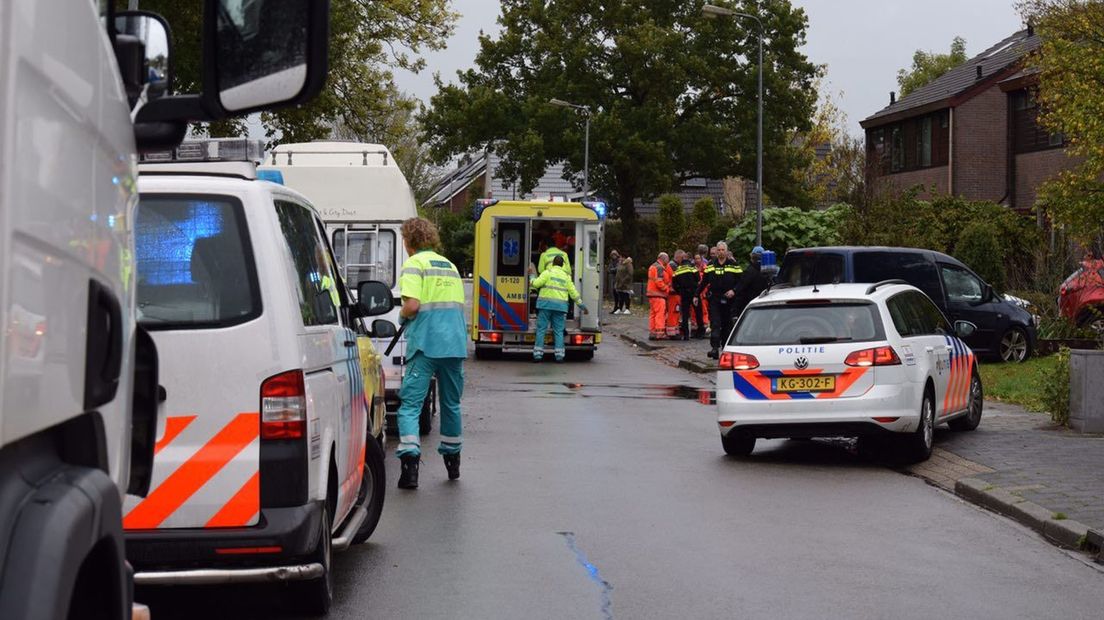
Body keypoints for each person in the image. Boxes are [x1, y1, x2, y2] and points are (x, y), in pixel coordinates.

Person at [395, 217, 468, 490]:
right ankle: (453, 461)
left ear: (409, 241)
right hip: (454, 344)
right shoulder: (449, 266)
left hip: (426, 344)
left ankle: (410, 467)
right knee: (451, 404)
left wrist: (401, 316)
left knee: (411, 405)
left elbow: (412, 305)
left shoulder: (414, 265)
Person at [530, 255, 586, 362]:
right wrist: (581, 304)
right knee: (558, 331)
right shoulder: (566, 277)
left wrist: (531, 276)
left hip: (545, 306)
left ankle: (538, 355)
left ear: (553, 263)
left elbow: (536, 284)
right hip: (560, 308)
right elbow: (573, 293)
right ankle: (559, 356)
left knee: (541, 330)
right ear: (562, 265)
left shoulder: (547, 273)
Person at [698, 241, 743, 358]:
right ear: (716, 252)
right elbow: (704, 282)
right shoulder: (711, 265)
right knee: (715, 323)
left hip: (729, 300)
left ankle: (725, 348)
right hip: (715, 299)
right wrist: (695, 295)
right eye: (719, 250)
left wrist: (734, 290)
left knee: (727, 324)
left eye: (723, 250)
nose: (721, 252)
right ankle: (714, 348)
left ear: (726, 251)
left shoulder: (733, 264)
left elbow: (741, 282)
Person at [732, 246, 770, 319]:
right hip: (766, 307)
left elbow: (741, 290)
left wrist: (735, 311)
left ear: (752, 257)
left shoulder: (749, 272)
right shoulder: (768, 271)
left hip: (751, 307)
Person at [672, 250, 702, 340]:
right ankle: (700, 333)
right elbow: (698, 278)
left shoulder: (678, 269)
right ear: (689, 259)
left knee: (685, 314)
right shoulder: (692, 268)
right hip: (694, 292)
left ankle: (685, 335)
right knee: (698, 313)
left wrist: (679, 291)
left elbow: (674, 284)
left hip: (684, 293)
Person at [646, 252, 672, 339]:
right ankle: (660, 333)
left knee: (653, 314)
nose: (668, 261)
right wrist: (667, 289)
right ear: (663, 259)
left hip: (651, 294)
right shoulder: (660, 268)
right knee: (660, 314)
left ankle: (653, 332)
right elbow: (659, 282)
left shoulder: (653, 266)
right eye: (667, 259)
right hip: (658, 294)